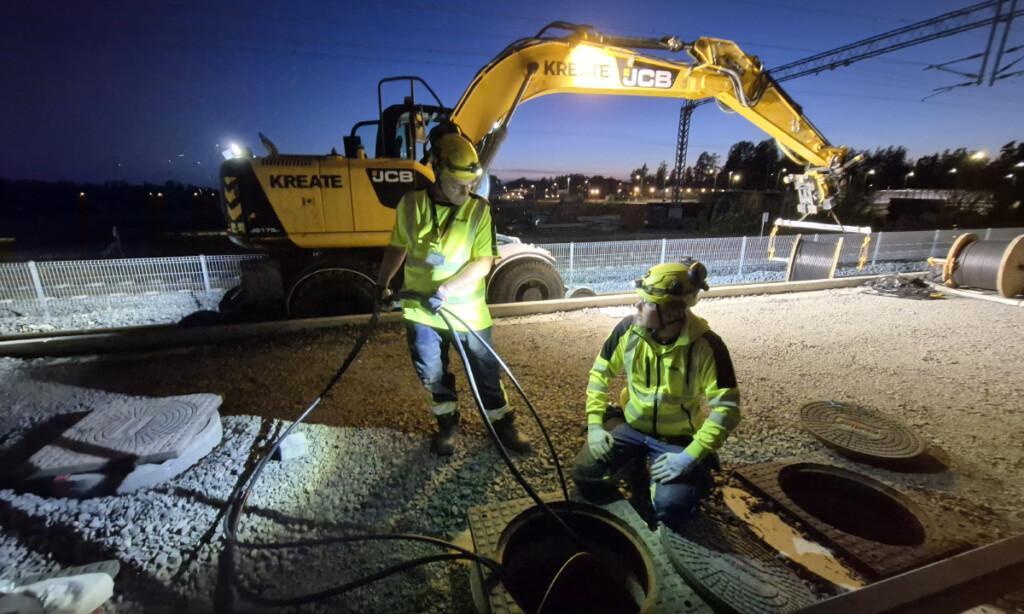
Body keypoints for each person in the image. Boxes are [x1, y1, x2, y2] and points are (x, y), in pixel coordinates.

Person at [376, 128, 531, 456]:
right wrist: (383, 283)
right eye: (457, 183)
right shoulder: (410, 205)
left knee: (486, 373)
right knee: (432, 373)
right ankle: (448, 426)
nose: (466, 189)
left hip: (467, 314)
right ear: (436, 171)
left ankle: (502, 425)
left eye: (471, 183)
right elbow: (396, 248)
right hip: (421, 312)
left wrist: (446, 289)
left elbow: (484, 262)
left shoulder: (479, 210)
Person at [572, 260, 740, 532]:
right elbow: (599, 374)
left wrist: (689, 456)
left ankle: (693, 473)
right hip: (630, 425)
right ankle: (637, 468)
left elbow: (727, 409)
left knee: (671, 509)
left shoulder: (708, 346)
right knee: (585, 474)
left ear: (675, 311)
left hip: (676, 440)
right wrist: (594, 425)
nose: (638, 308)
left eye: (648, 303)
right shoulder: (628, 330)